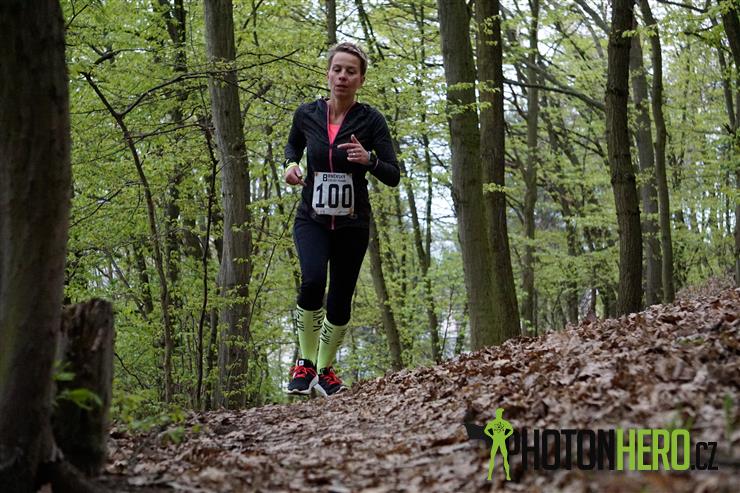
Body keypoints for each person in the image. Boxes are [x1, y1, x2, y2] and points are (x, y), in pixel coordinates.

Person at [283, 42, 400, 397]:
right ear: (328, 74)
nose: (343, 76)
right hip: (312, 218)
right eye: (337, 69)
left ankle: (325, 369)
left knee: (340, 297)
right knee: (312, 280)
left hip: (352, 223)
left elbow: (393, 174)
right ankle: (305, 363)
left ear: (361, 79)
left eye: (351, 71)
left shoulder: (371, 120)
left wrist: (369, 160)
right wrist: (290, 165)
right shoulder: (307, 114)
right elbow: (293, 146)